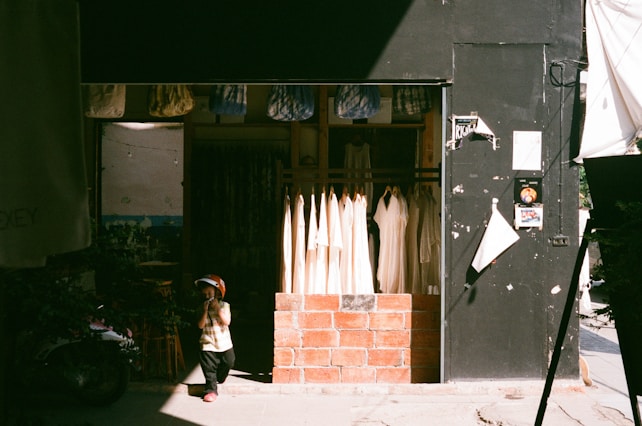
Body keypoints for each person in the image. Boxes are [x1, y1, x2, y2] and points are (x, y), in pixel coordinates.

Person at [195, 274, 235, 403]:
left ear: (218, 293)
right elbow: (200, 325)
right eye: (204, 294)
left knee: (229, 361)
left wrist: (218, 310)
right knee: (209, 368)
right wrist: (205, 311)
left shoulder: (224, 306)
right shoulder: (201, 308)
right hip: (207, 343)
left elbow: (227, 321)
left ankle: (220, 377)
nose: (207, 296)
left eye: (209, 293)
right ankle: (211, 390)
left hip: (224, 343)